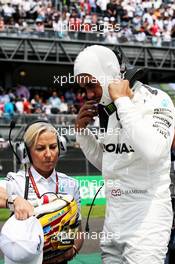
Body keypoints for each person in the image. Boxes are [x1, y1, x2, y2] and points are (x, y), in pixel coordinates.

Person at [74, 45, 175, 264]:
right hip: (113, 220)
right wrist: (82, 133)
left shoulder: (158, 99)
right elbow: (109, 163)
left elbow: (154, 151)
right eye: (84, 88)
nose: (89, 94)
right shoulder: (106, 111)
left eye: (91, 85)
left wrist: (122, 102)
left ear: (109, 75)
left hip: (147, 219)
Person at [0, 121, 83, 264]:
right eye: (40, 148)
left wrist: (73, 249)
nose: (48, 154)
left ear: (61, 148)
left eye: (53, 147)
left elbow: (78, 229)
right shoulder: (17, 180)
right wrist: (14, 200)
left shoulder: (71, 184)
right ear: (26, 152)